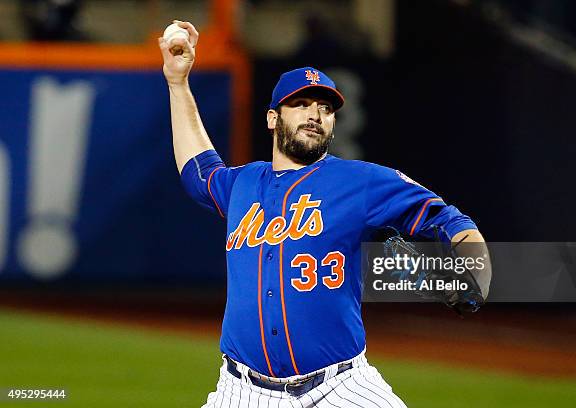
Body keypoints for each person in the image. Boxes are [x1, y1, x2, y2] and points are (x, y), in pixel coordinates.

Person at [159, 20, 491, 408]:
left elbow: (448, 219)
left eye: (325, 108)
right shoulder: (241, 185)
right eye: (300, 104)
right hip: (242, 390)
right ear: (272, 118)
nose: (315, 114)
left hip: (341, 387)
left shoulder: (360, 181)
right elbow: (199, 171)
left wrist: (475, 269)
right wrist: (177, 83)